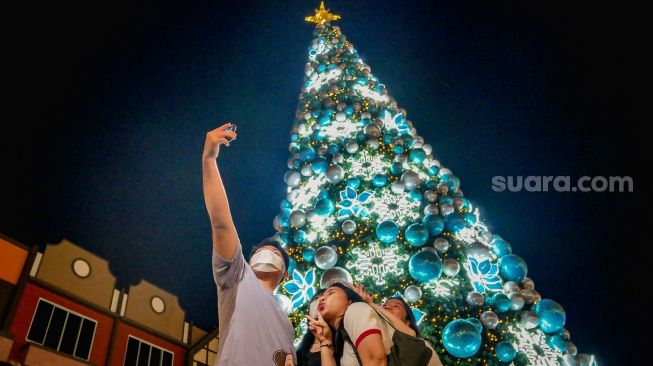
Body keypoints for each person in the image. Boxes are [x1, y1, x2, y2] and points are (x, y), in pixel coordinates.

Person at [203, 122, 296, 366]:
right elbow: (221, 223)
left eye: (274, 252)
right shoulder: (237, 277)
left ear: (284, 272)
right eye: (261, 251)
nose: (267, 253)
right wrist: (209, 160)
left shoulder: (287, 325)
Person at [297, 288, 327, 366]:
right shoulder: (300, 352)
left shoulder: (342, 342)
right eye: (316, 298)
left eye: (325, 297)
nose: (320, 299)